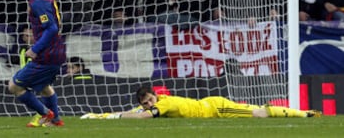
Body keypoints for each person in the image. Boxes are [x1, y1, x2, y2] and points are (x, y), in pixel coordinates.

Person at [8, 0, 66, 127]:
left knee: (14, 86)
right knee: (44, 87)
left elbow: (52, 27)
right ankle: (55, 121)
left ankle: (46, 114)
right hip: (57, 50)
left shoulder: (37, 2)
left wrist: (35, 49)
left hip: (47, 52)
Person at [81, 86, 321, 119]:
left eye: (149, 100)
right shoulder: (159, 103)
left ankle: (303, 114)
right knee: (257, 113)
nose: (148, 104)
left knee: (259, 113)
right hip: (208, 106)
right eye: (145, 102)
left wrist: (118, 117)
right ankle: (302, 113)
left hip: (215, 107)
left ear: (155, 96)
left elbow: (140, 115)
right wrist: (99, 116)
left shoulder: (162, 104)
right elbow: (132, 111)